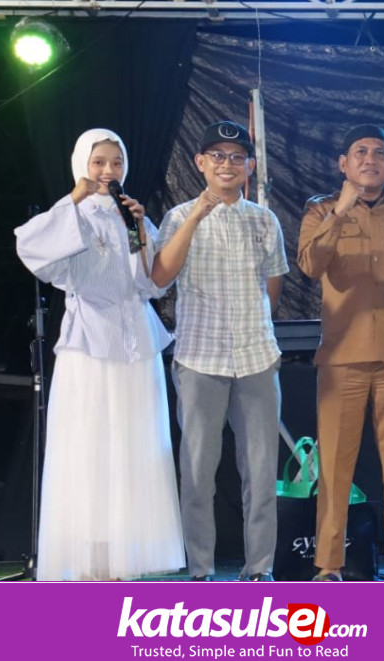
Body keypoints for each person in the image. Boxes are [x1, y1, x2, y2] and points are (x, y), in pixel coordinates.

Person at [15, 128, 184, 581]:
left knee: (135, 447)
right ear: (82, 165)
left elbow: (153, 284)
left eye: (116, 162)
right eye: (99, 162)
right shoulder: (71, 213)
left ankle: (126, 559)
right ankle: (89, 560)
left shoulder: (133, 215)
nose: (109, 171)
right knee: (89, 448)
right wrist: (75, 197)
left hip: (136, 344)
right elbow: (31, 248)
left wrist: (142, 231)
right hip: (88, 343)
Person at [152, 120, 289, 581]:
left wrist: (255, 323)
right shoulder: (178, 217)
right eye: (217, 156)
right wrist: (197, 216)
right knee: (197, 471)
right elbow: (160, 278)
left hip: (256, 357)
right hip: (199, 358)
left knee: (261, 473)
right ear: (200, 163)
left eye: (236, 157)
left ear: (249, 166)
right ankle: (201, 571)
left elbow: (273, 290)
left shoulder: (264, 220)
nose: (226, 164)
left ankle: (259, 570)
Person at [297, 125, 384, 582]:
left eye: (379, 153)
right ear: (343, 163)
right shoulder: (320, 210)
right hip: (341, 356)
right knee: (334, 464)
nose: (370, 160)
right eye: (360, 152)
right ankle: (329, 564)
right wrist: (341, 211)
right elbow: (309, 265)